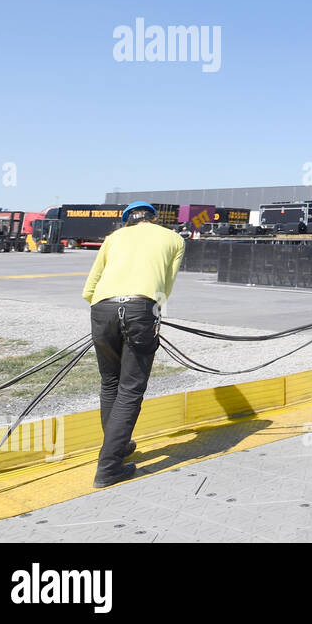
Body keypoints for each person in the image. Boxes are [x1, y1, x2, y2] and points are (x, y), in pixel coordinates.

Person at [81, 202, 185, 487]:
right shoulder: (173, 239)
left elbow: (90, 288)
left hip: (102, 309)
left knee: (110, 383)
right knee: (130, 388)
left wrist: (110, 313)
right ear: (153, 219)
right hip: (142, 308)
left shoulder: (113, 239)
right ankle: (109, 467)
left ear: (128, 221)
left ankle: (117, 447)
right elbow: (165, 285)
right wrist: (151, 314)